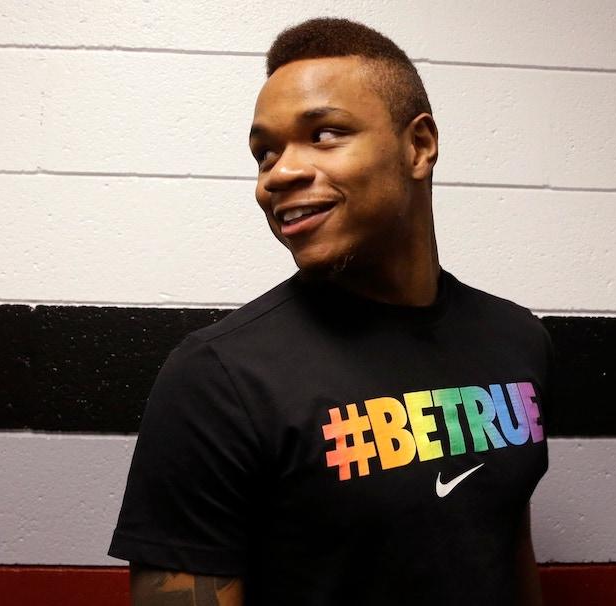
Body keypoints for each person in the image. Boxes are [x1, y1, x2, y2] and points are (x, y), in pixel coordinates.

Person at [109, 17, 551, 606]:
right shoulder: (218, 378)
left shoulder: (517, 340)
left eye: (323, 134)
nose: (279, 174)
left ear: (419, 146)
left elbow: (502, 544)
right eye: (265, 153)